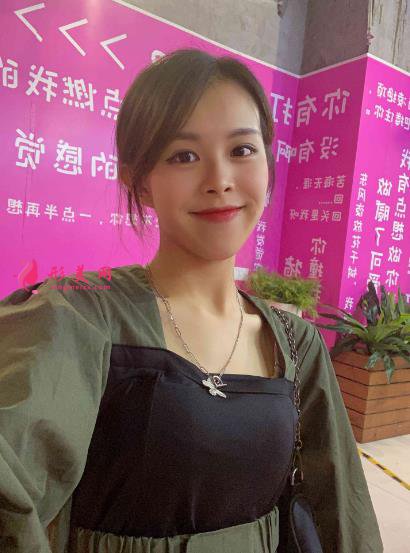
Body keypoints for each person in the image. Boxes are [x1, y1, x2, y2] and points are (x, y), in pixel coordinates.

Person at [0, 49, 383, 553]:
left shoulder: (297, 344)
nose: (219, 180)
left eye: (242, 150)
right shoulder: (79, 317)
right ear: (139, 182)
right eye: (184, 156)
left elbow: (341, 512)